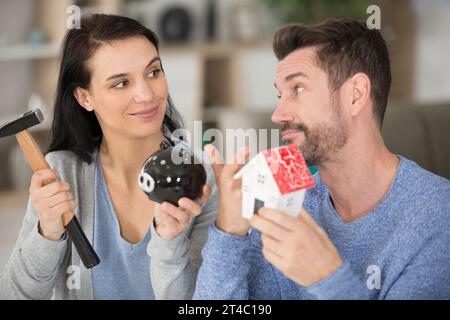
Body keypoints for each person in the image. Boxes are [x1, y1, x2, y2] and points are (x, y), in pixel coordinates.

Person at [194, 19, 450, 299]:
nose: (278, 114)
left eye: (298, 89)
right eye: (280, 95)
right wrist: (229, 232)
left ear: (356, 95)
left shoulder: (437, 215)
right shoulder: (285, 195)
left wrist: (327, 277)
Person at [0, 14, 217, 300]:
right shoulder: (61, 172)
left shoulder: (201, 175)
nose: (146, 94)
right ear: (84, 97)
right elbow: (15, 295)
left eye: (153, 72)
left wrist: (169, 242)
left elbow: (204, 303)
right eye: (121, 83)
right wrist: (48, 232)